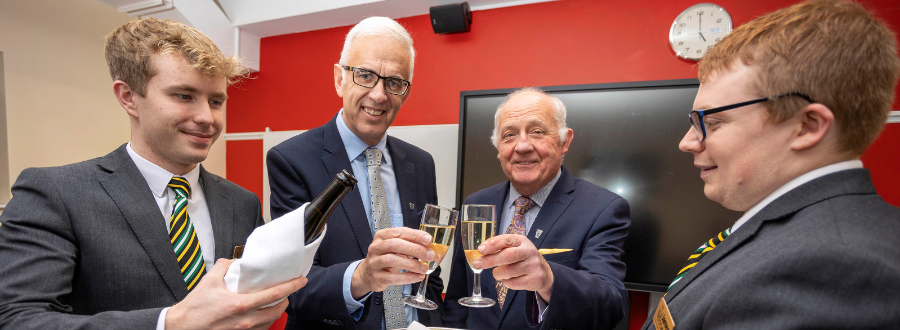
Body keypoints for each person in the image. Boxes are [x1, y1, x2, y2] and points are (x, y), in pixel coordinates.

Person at [0, 18, 307, 330]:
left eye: (216, 101)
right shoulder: (56, 194)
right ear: (128, 97)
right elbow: (18, 320)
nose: (206, 118)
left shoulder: (243, 203)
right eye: (184, 96)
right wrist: (169, 323)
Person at [641, 0, 900, 329]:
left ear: (806, 126)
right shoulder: (794, 234)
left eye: (714, 122)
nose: (687, 142)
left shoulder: (830, 269)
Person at [266, 17, 443, 329]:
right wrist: (362, 277)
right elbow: (290, 289)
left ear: (405, 92)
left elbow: (430, 267)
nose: (378, 95)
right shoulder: (292, 160)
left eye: (394, 82)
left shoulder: (421, 163)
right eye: (365, 75)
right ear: (339, 79)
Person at [443, 88, 631, 330]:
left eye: (537, 132)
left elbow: (610, 305)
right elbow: (459, 299)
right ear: (498, 148)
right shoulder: (476, 204)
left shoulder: (604, 209)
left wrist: (549, 279)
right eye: (509, 135)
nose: (522, 146)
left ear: (565, 141)